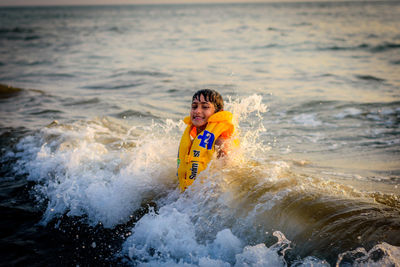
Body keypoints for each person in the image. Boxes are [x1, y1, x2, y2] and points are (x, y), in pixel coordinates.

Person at [177, 89, 236, 192]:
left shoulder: (220, 141)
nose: (197, 111)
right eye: (194, 106)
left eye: (205, 107)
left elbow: (228, 176)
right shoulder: (193, 139)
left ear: (218, 113)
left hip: (206, 200)